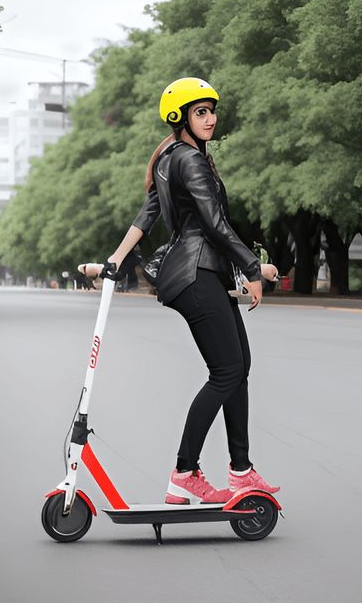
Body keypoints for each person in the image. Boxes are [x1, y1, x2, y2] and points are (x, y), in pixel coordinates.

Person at [102, 77, 279, 504]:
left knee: (239, 366)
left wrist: (114, 259)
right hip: (196, 275)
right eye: (201, 112)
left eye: (212, 111)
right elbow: (214, 225)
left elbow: (146, 217)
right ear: (180, 116)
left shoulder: (169, 159)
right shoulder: (190, 161)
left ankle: (241, 471)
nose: (211, 119)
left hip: (198, 273)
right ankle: (185, 473)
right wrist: (252, 266)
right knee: (227, 372)